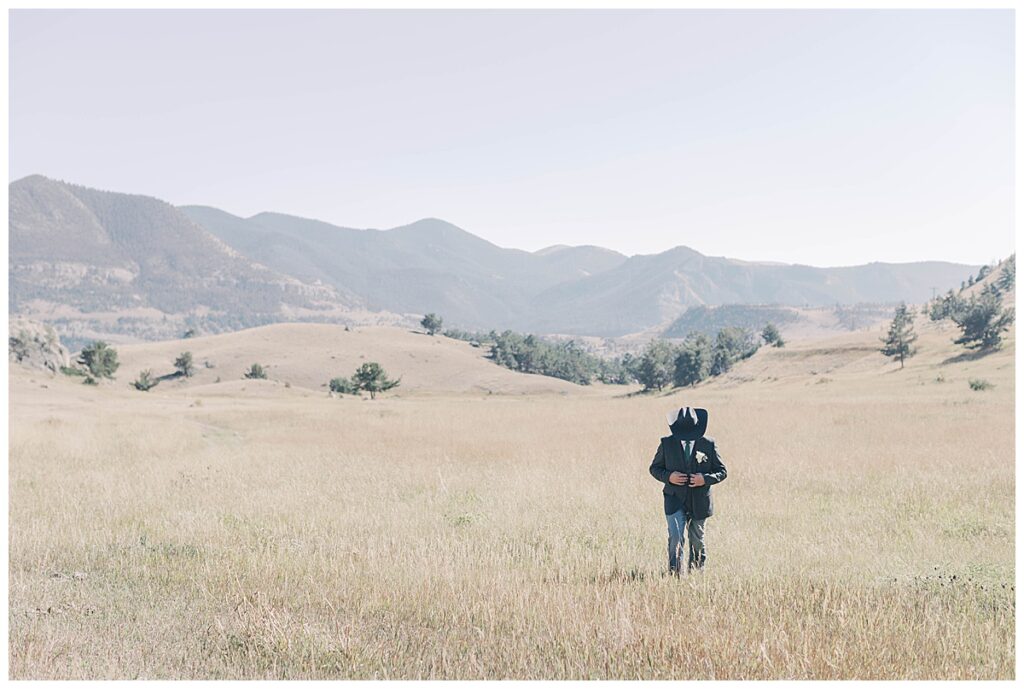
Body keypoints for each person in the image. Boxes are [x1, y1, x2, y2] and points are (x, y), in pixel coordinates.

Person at [648, 406, 728, 574]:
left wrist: (704, 479)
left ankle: (696, 573)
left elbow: (722, 472)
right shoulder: (666, 443)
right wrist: (669, 476)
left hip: (700, 500)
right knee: (676, 537)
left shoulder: (709, 444)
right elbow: (654, 468)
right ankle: (675, 574)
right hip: (674, 498)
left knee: (697, 539)